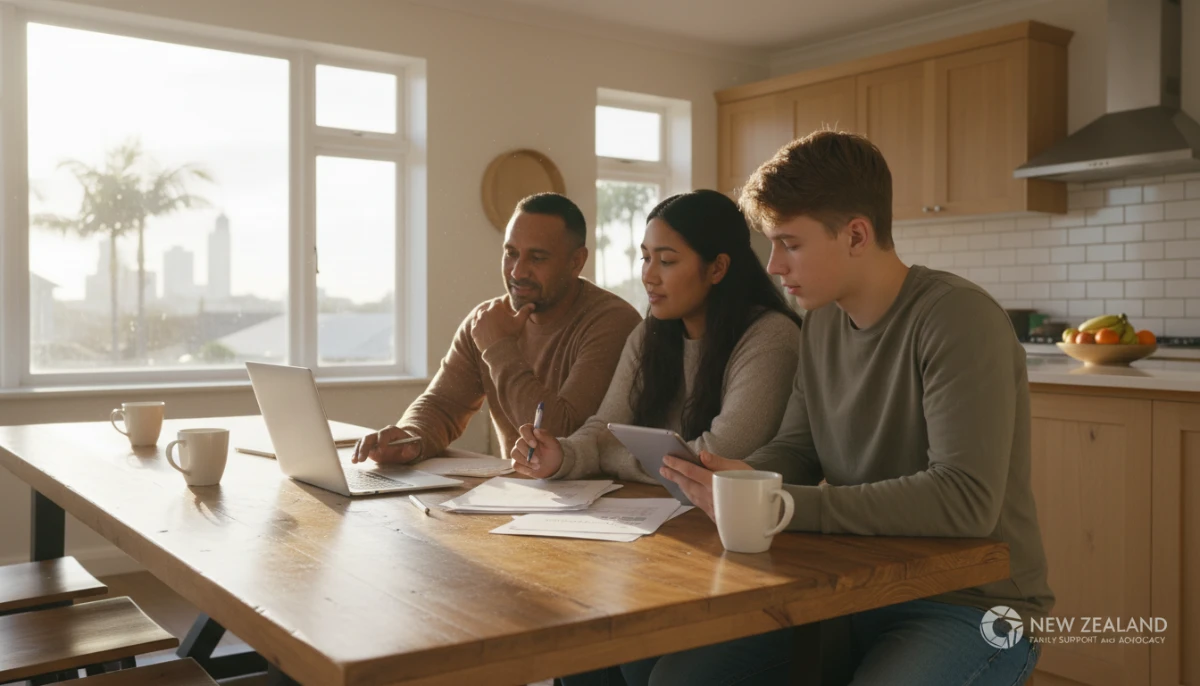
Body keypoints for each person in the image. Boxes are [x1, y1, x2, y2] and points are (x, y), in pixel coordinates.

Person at [656, 131, 1053, 685]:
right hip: (854, 586)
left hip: (972, 604)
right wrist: (740, 479)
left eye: (789, 244)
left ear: (857, 236)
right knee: (678, 676)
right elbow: (799, 446)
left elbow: (965, 500)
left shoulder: (957, 319)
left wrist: (783, 508)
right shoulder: (820, 323)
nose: (773, 266)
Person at [353, 193, 642, 465]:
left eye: (537, 258)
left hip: (600, 504)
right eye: (511, 253)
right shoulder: (486, 320)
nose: (517, 271)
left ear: (576, 261)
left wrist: (499, 348)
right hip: (519, 497)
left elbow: (561, 439)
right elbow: (442, 405)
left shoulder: (612, 322)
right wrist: (409, 439)